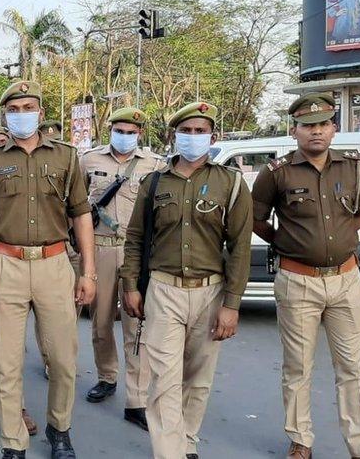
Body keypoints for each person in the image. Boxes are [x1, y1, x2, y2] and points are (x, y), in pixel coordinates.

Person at [0, 80, 98, 459]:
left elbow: (81, 214)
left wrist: (88, 272)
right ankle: (13, 442)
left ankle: (60, 429)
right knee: (7, 364)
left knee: (62, 359)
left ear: (40, 113)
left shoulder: (67, 157)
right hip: (6, 264)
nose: (21, 114)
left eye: (28, 107)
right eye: (14, 108)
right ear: (6, 115)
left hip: (55, 264)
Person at [120, 101, 253, 459]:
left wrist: (232, 305)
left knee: (198, 378)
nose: (193, 138)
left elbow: (240, 247)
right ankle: (170, 452)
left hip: (210, 292)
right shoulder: (154, 183)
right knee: (164, 380)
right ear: (173, 135)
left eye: (200, 131)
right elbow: (135, 238)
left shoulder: (231, 183)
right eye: (186, 131)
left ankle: (188, 441)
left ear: (212, 136)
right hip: (163, 290)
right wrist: (131, 285)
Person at [251, 92, 360, 459]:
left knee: (352, 367)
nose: (316, 132)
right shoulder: (276, 173)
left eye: (323, 124)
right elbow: (257, 220)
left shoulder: (354, 167)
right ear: (295, 131)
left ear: (334, 129)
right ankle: (300, 440)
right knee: (297, 367)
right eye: (308, 126)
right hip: (297, 281)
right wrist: (292, 244)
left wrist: (337, 242)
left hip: (345, 280)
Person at [80, 107, 165, 431]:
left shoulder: (154, 164)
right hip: (100, 248)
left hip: (135, 252)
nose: (125, 136)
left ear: (139, 133)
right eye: (120, 130)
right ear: (110, 129)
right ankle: (106, 376)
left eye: (131, 132)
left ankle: (137, 399)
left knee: (136, 325)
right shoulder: (89, 161)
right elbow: (76, 204)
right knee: (101, 321)